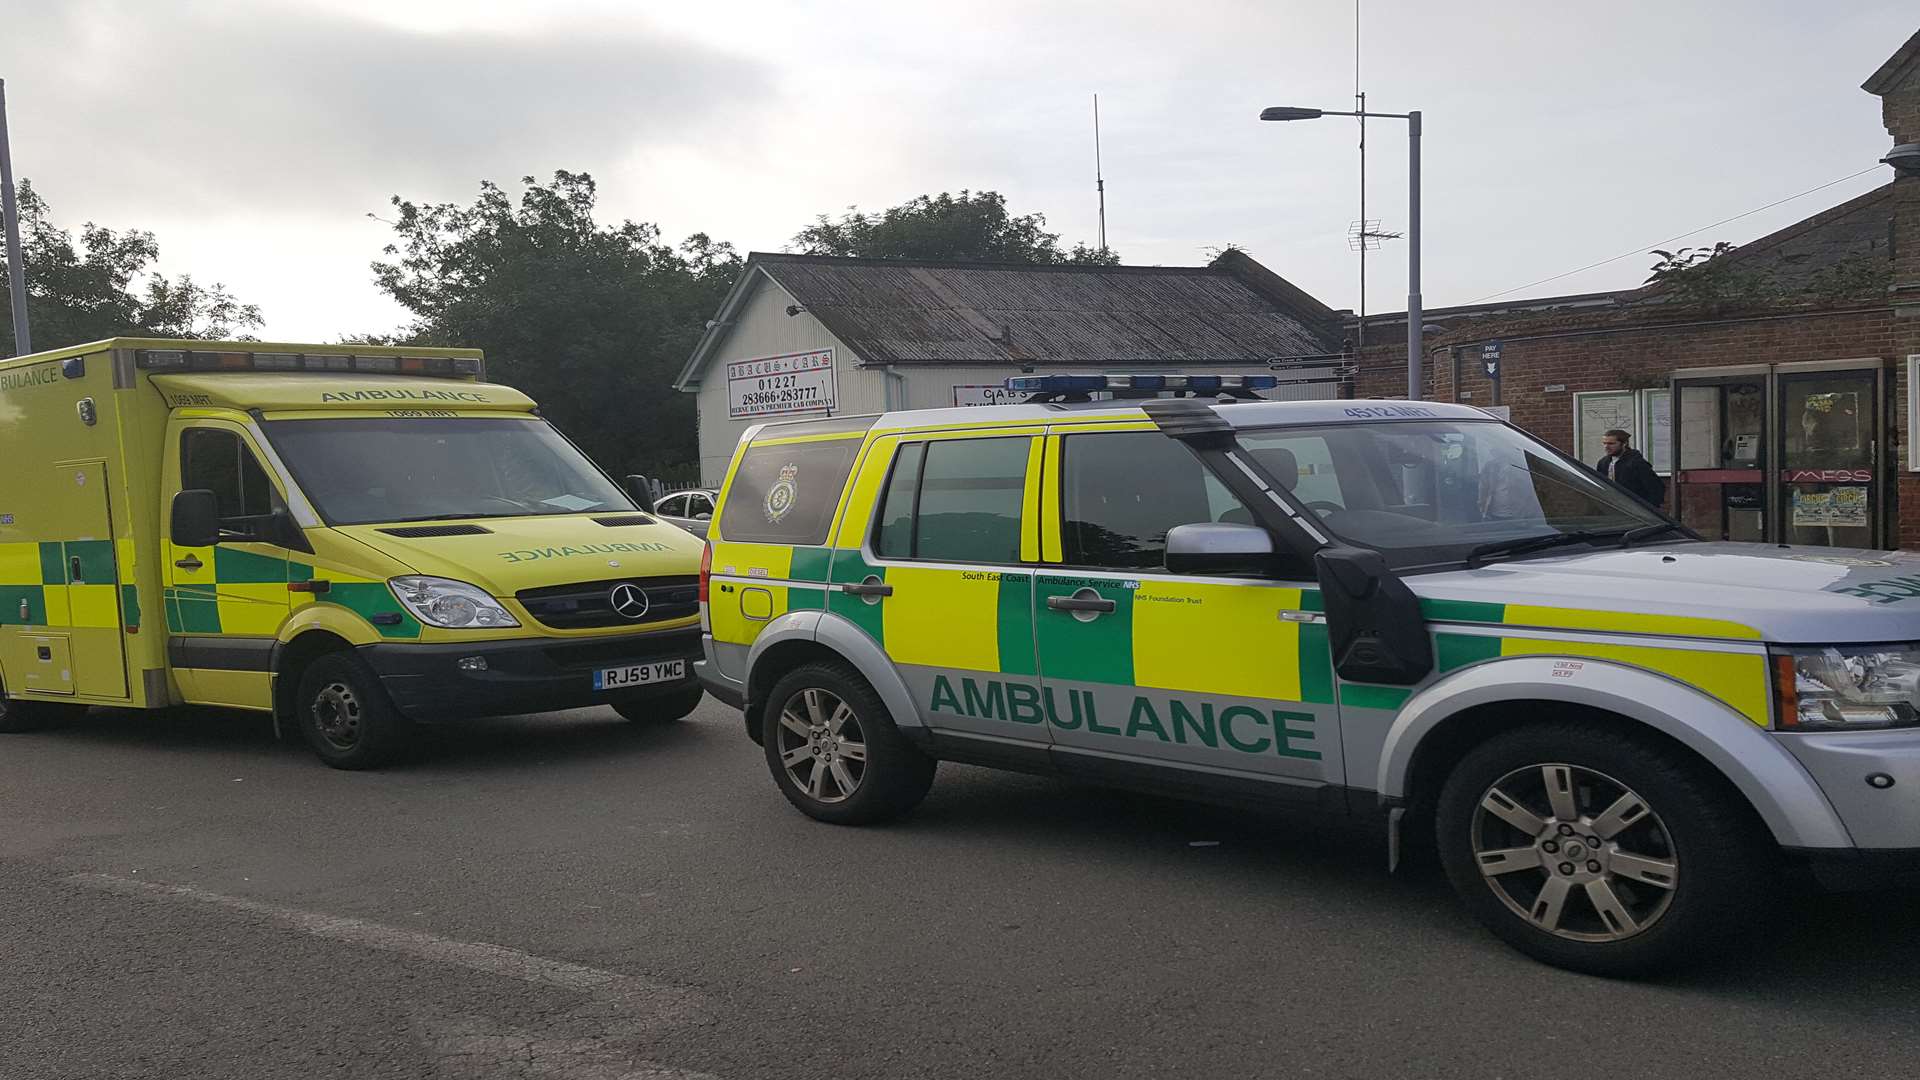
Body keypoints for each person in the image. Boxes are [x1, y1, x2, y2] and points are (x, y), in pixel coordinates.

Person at [1594, 429, 1664, 506]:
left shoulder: (1637, 463)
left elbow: (1656, 488)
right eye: (1604, 443)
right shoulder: (1603, 463)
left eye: (1611, 444)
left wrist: (1647, 508)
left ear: (1624, 444)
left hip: (1635, 507)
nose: (1606, 447)